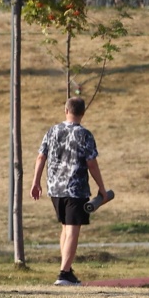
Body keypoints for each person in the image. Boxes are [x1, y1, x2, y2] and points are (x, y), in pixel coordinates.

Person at [30, 97, 111, 286]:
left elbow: (41, 157)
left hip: (55, 188)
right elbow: (91, 163)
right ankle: (64, 273)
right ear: (83, 113)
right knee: (73, 230)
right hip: (76, 188)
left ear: (66, 110)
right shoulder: (84, 135)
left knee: (65, 228)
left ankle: (67, 269)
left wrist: (36, 182)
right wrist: (101, 187)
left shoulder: (53, 131)